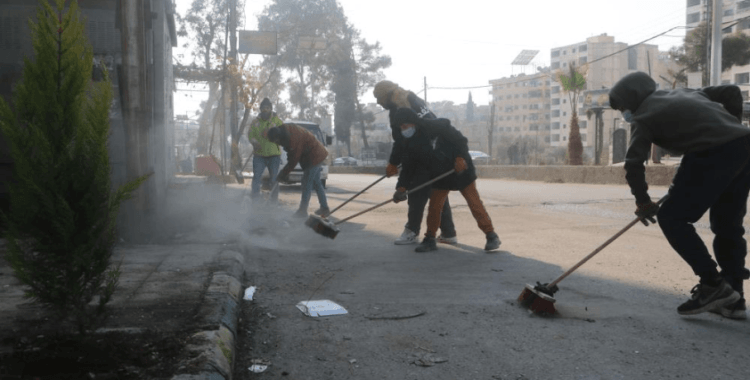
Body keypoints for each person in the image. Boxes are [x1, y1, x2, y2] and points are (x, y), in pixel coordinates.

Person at [609, 71, 750, 318]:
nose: (624, 113)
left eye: (622, 107)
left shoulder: (643, 117)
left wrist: (643, 202)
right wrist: (733, 126)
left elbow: (633, 163)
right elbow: (732, 92)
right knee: (728, 224)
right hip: (744, 146)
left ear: (632, 99)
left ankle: (713, 285)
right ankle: (733, 301)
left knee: (672, 218)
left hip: (711, 152)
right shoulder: (684, 92)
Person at [391, 108, 501, 253]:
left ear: (413, 122)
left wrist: (460, 157)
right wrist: (401, 187)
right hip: (439, 174)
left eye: (405, 126)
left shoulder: (437, 126)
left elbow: (460, 140)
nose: (404, 130)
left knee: (474, 203)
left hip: (460, 169)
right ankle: (430, 239)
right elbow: (408, 166)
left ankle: (491, 236)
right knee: (435, 206)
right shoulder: (410, 142)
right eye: (401, 128)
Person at [373, 80, 457, 246]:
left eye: (379, 98)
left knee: (416, 193)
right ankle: (448, 232)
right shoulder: (413, 99)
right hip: (439, 151)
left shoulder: (399, 109)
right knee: (437, 193)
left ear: (387, 96)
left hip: (425, 155)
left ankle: (412, 231)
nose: (378, 103)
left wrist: (396, 166)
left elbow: (403, 141)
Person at [265, 123, 329, 218]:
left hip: (314, 156)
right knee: (316, 183)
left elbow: (294, 159)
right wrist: (284, 173)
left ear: (278, 137)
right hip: (315, 154)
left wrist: (284, 173)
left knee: (306, 182)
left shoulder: (292, 138)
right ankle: (324, 208)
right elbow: (291, 153)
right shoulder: (285, 131)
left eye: (275, 141)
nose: (276, 143)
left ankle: (302, 211)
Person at [248, 98, 283, 202]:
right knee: (256, 178)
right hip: (259, 155)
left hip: (274, 155)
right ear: (260, 109)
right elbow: (250, 135)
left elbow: (283, 135)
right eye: (263, 108)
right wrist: (255, 143)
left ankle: (273, 201)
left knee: (274, 179)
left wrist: (273, 133)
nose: (265, 110)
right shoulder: (255, 122)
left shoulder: (277, 121)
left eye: (267, 108)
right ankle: (255, 200)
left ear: (271, 109)